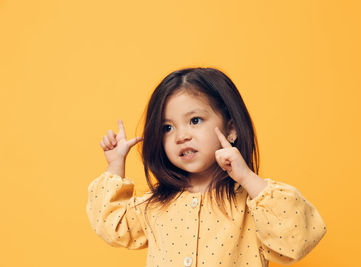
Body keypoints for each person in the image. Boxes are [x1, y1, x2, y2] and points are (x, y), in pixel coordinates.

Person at [86, 67, 327, 267]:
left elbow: (297, 237)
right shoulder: (156, 204)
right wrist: (115, 164)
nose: (181, 136)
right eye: (167, 128)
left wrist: (247, 178)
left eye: (195, 121)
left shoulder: (252, 204)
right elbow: (112, 225)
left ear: (231, 129)